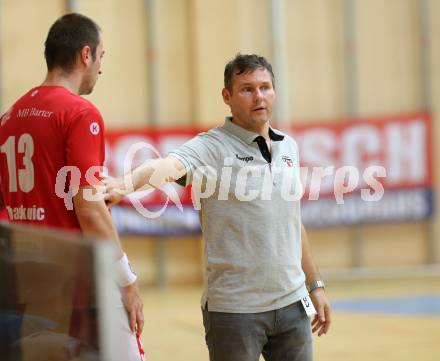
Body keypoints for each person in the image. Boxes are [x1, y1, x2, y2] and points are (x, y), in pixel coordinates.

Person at [105, 53, 331, 361]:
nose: (258, 96)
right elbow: (166, 166)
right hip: (235, 312)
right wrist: (123, 185)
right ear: (227, 96)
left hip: (293, 307)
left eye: (265, 87)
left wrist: (314, 284)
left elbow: (293, 221)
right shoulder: (211, 147)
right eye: (247, 89)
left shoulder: (288, 146)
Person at [0, 13, 144, 360]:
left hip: (27, 282)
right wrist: (128, 282)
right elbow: (91, 209)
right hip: (78, 285)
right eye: (101, 57)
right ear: (85, 55)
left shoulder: (10, 116)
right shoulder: (80, 113)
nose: (101, 68)